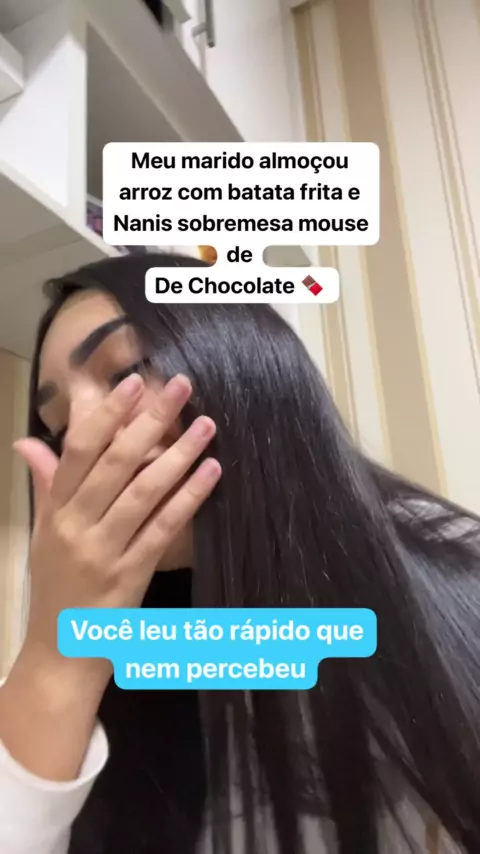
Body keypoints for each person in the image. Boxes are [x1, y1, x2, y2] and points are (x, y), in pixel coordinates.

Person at [0, 253, 478, 854]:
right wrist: (59, 652)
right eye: (57, 427)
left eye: (125, 374)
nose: (83, 442)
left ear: (247, 364)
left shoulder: (452, 583)